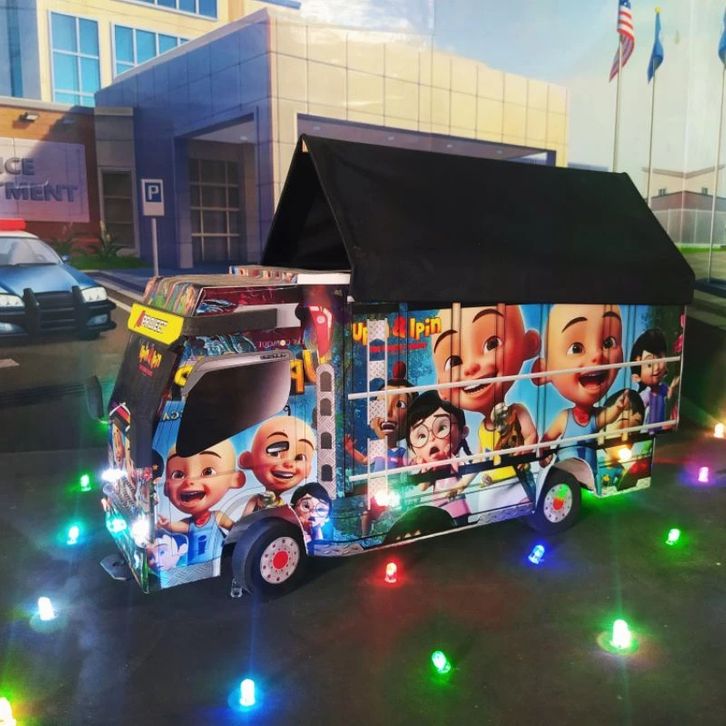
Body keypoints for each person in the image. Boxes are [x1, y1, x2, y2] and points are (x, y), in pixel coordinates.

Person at [431, 304, 540, 481]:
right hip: (493, 485)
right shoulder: (482, 429)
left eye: (492, 344)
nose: (471, 367)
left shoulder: (517, 412)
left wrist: (523, 454)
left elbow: (531, 435)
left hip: (519, 482)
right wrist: (461, 485)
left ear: (529, 344)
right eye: (454, 362)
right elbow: (480, 460)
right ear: (441, 388)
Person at [533, 304, 630, 471]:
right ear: (543, 371)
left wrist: (618, 407)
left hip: (588, 470)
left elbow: (608, 416)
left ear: (621, 356)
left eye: (608, 343)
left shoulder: (595, 417)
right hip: (566, 470)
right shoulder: (565, 417)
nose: (597, 355)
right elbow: (548, 438)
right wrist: (543, 454)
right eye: (576, 348)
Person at [157, 438, 245, 564]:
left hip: (217, 560)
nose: (189, 481)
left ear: (235, 479)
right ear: (166, 487)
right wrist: (166, 525)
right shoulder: (190, 523)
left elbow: (234, 528)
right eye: (178, 475)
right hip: (195, 562)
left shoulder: (217, 516)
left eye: (208, 472)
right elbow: (178, 527)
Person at [405, 391, 475, 526]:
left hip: (457, 508)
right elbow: (422, 487)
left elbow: (463, 471)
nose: (432, 439)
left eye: (442, 427)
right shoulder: (431, 468)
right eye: (421, 435)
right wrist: (425, 470)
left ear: (463, 431)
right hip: (438, 510)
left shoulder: (456, 461)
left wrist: (449, 459)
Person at [345, 361, 417, 471]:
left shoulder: (402, 452)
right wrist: (351, 450)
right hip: (377, 481)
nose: (387, 413)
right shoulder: (377, 449)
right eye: (381, 403)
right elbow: (364, 460)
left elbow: (411, 462)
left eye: (400, 405)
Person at [239, 415, 316, 515]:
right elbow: (244, 520)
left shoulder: (283, 506)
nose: (289, 463)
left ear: (308, 470)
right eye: (275, 453)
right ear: (248, 460)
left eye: (300, 457)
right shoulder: (256, 500)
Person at [630, 328, 679, 426]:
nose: (656, 367)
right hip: (648, 430)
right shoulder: (645, 395)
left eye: (660, 358)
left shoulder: (663, 387)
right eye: (649, 364)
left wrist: (673, 387)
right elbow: (637, 412)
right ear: (636, 377)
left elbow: (669, 397)